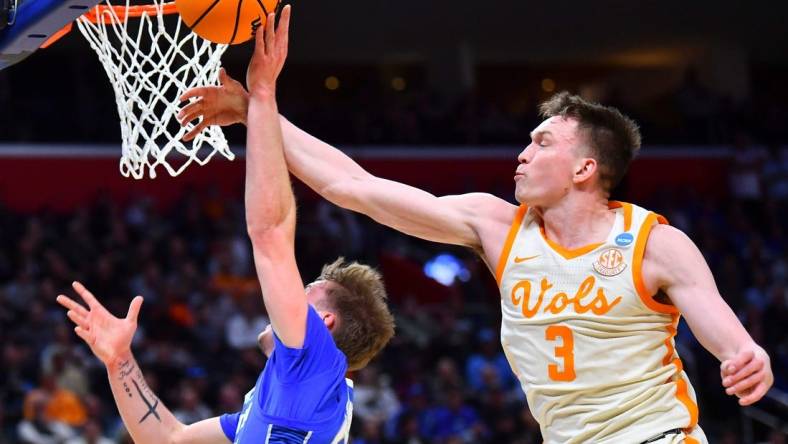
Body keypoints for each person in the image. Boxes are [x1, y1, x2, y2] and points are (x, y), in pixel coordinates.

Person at [179, 33, 775, 442]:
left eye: (542, 143)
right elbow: (350, 184)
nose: (522, 153)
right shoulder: (495, 226)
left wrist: (746, 358)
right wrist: (258, 111)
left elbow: (727, 334)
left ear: (585, 169)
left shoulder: (652, 244)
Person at [56, 6, 395, 443]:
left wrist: (264, 93)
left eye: (305, 288)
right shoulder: (290, 393)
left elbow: (271, 234)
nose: (288, 293)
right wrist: (119, 359)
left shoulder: (315, 365)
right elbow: (168, 439)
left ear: (324, 322)